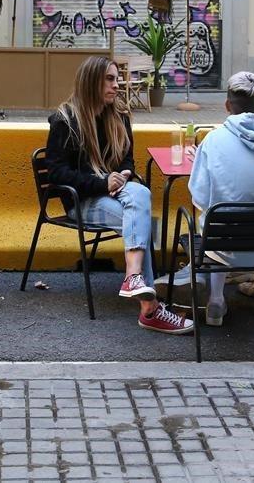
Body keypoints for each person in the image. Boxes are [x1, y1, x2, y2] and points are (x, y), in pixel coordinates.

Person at [44, 55, 193, 334]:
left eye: (117, 78)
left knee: (139, 198)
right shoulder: (65, 120)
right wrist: (102, 183)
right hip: (82, 200)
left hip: (118, 193)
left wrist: (122, 176)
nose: (117, 85)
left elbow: (127, 161)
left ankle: (136, 282)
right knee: (140, 211)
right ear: (91, 82)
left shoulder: (119, 115)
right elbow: (56, 175)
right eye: (110, 79)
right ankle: (149, 306)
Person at [163, 71, 254, 326]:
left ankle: (216, 298)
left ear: (227, 105)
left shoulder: (213, 141)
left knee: (208, 214)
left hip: (224, 247)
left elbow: (200, 197)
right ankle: (219, 295)